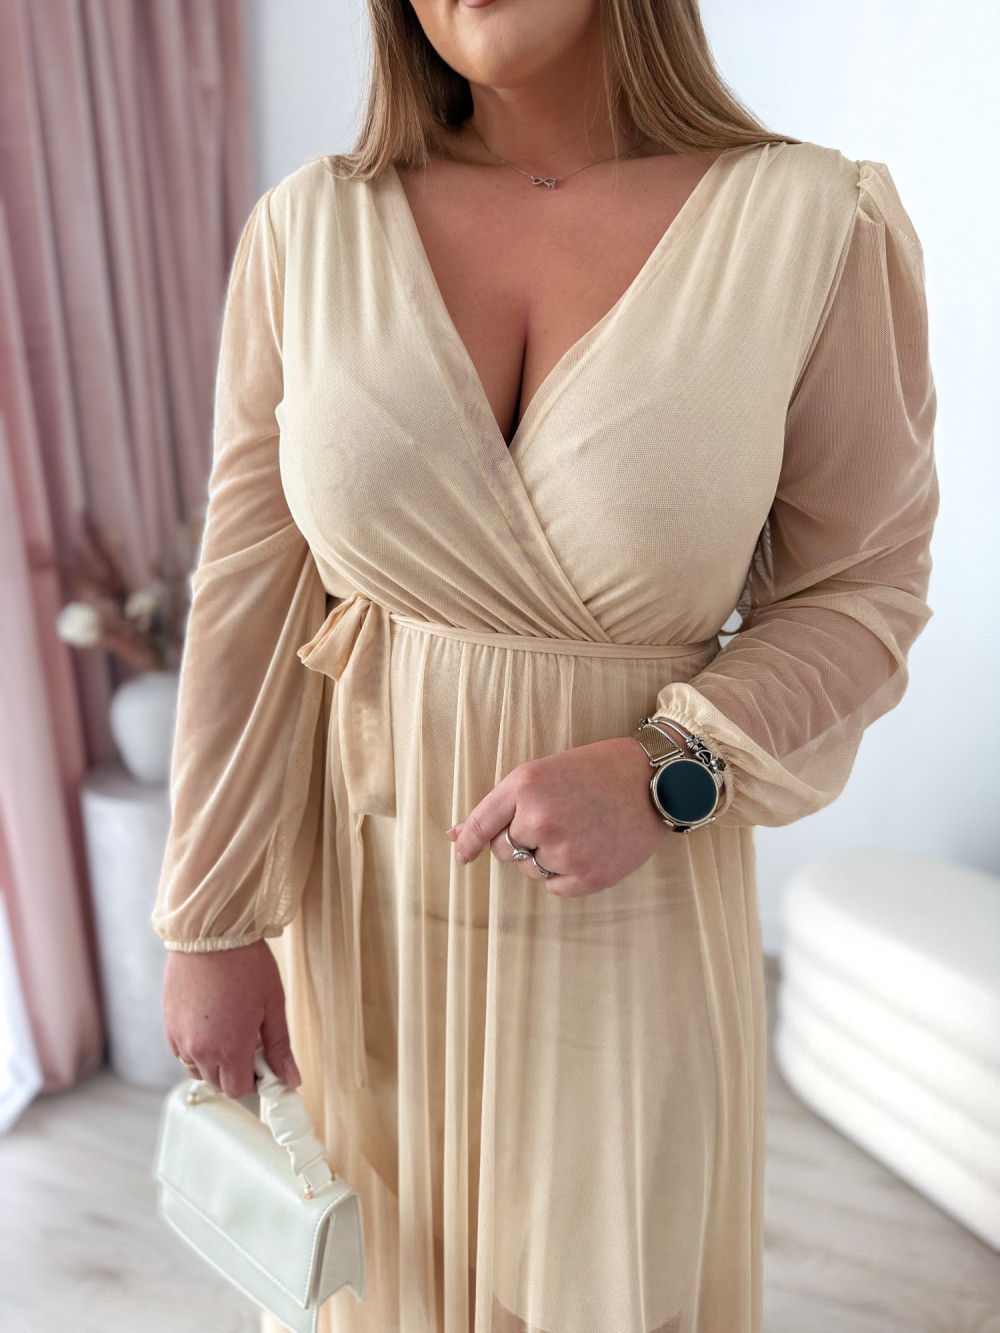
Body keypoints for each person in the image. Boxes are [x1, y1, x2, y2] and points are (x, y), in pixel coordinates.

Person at [152, 1, 939, 1330]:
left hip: (631, 932)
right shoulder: (307, 232)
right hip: (366, 920)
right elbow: (244, 597)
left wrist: (670, 767)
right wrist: (211, 916)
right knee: (380, 1293)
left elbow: (863, 593)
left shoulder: (812, 226)